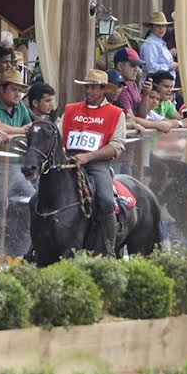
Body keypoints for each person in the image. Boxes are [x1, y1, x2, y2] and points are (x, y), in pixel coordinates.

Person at [62, 69, 129, 253]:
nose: (89, 91)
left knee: (106, 201)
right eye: (87, 87)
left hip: (96, 164)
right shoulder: (70, 109)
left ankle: (108, 247)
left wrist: (88, 156)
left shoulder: (116, 114)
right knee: (38, 197)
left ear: (102, 90)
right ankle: (35, 248)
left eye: (93, 88)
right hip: (68, 161)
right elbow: (57, 134)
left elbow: (116, 146)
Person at [0, 70, 33, 136]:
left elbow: (30, 127)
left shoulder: (20, 106)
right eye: (14, 89)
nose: (18, 94)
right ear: (1, 89)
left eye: (20, 90)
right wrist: (21, 130)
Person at [140, 12, 178, 84]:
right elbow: (150, 68)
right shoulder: (150, 44)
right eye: (158, 26)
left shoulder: (160, 43)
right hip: (153, 87)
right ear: (151, 27)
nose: (161, 29)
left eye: (164, 26)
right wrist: (169, 66)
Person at [113, 48, 149, 114]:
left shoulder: (132, 83)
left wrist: (145, 95)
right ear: (120, 66)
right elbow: (130, 118)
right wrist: (159, 124)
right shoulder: (117, 86)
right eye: (133, 65)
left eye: (138, 65)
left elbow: (142, 115)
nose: (137, 69)